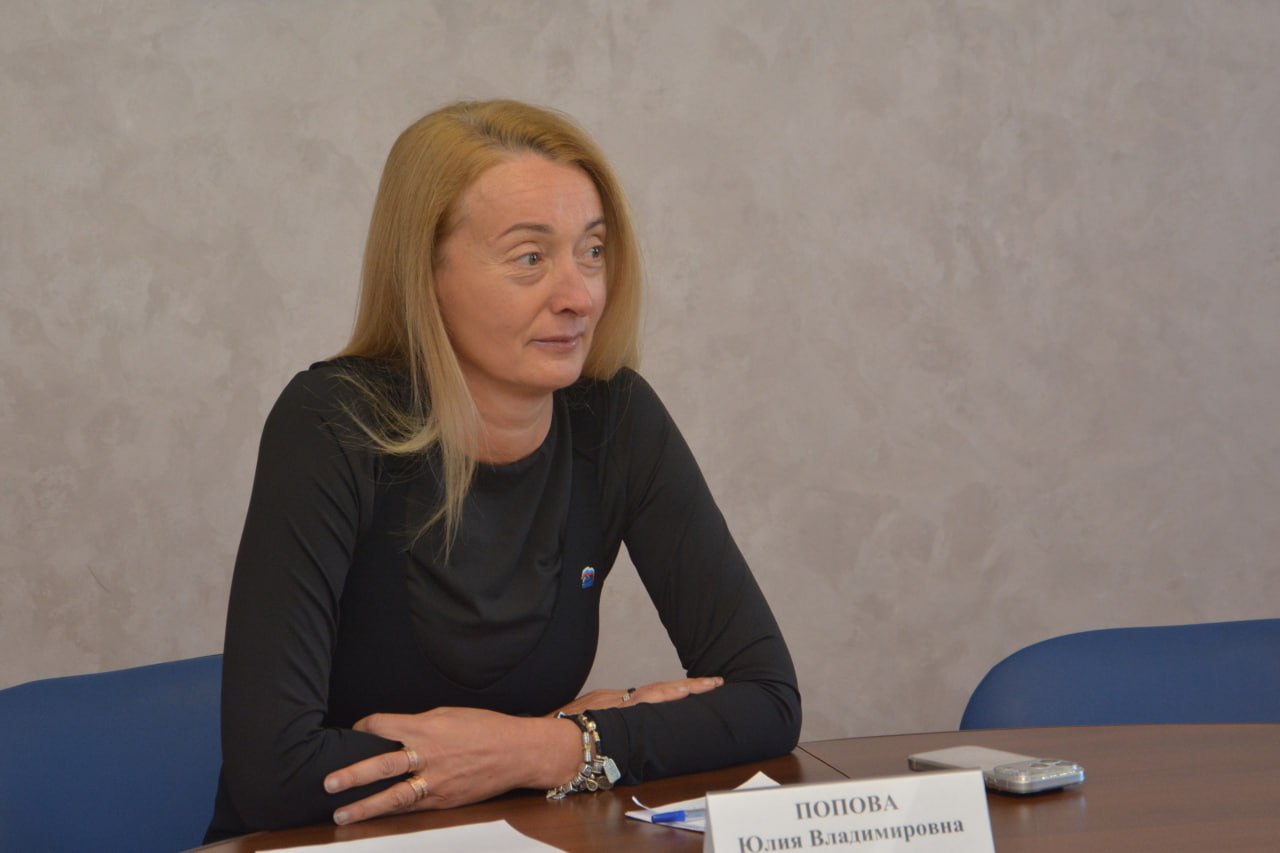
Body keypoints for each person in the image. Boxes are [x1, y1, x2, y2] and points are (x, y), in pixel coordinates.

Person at [206, 99, 800, 840]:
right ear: (426, 271)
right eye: (530, 258)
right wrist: (546, 746)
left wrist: (546, 747)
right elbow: (275, 774)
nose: (579, 296)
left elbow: (767, 702)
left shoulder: (615, 417)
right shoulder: (332, 422)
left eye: (592, 251)